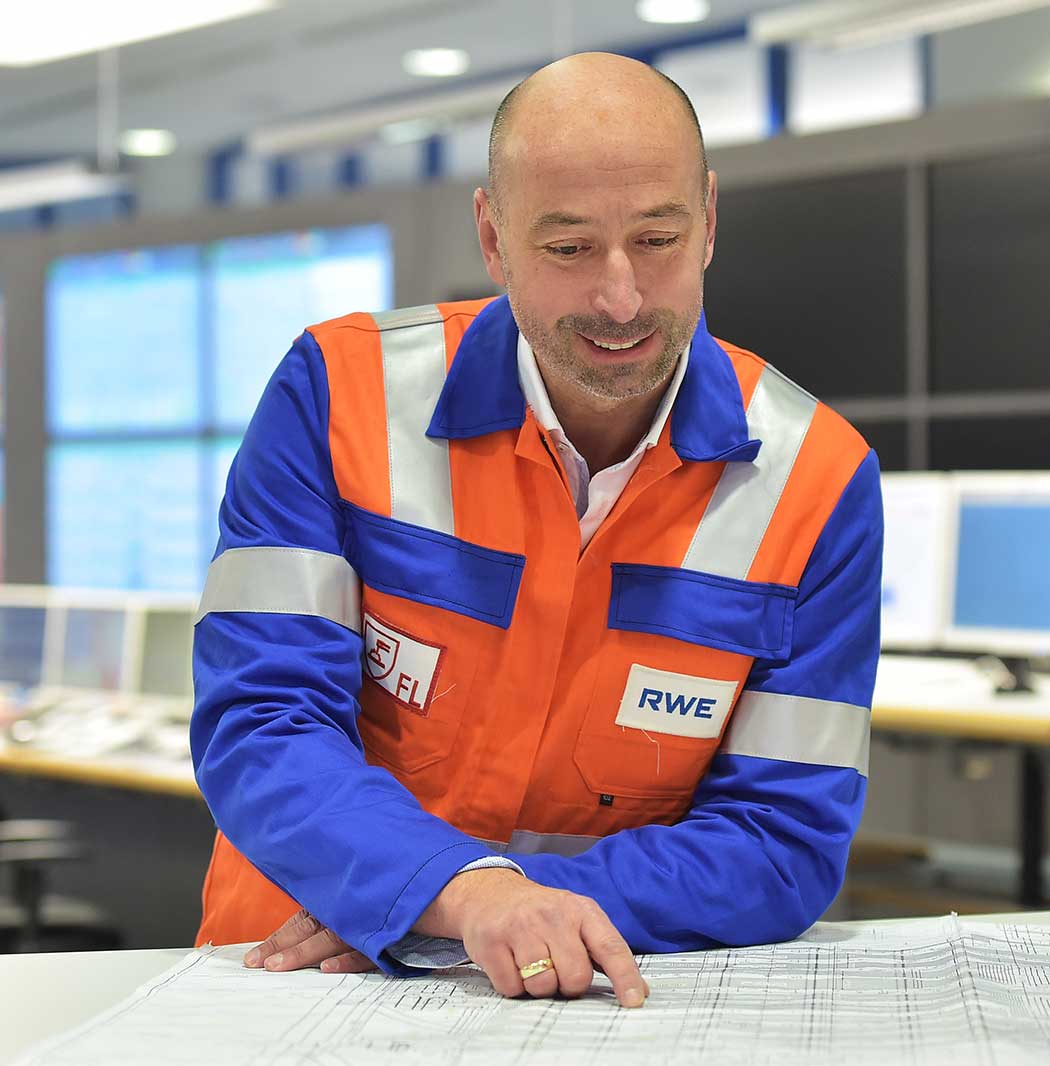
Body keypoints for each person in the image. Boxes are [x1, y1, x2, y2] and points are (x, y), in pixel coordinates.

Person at [190, 52, 882, 1005]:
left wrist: (497, 906)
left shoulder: (819, 479)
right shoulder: (338, 398)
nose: (620, 298)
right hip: (297, 975)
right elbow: (262, 721)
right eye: (568, 249)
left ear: (710, 221)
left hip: (593, 999)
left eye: (658, 239)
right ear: (493, 236)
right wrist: (459, 893)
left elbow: (781, 840)